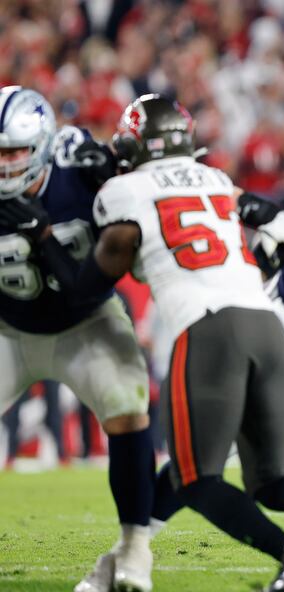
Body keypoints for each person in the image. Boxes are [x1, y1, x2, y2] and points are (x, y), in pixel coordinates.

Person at [25, 94, 284, 592]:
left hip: (208, 330)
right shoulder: (215, 181)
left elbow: (82, 292)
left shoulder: (121, 191)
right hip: (268, 325)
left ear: (132, 146)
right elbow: (245, 205)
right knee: (271, 482)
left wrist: (43, 238)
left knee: (194, 478)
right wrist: (271, 216)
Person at [0, 86, 156, 592]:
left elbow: (141, 210)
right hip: (7, 326)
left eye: (15, 151)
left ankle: (135, 547)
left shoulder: (80, 172)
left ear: (43, 146)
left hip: (85, 322)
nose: (6, 165)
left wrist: (114, 174)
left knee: (128, 406)